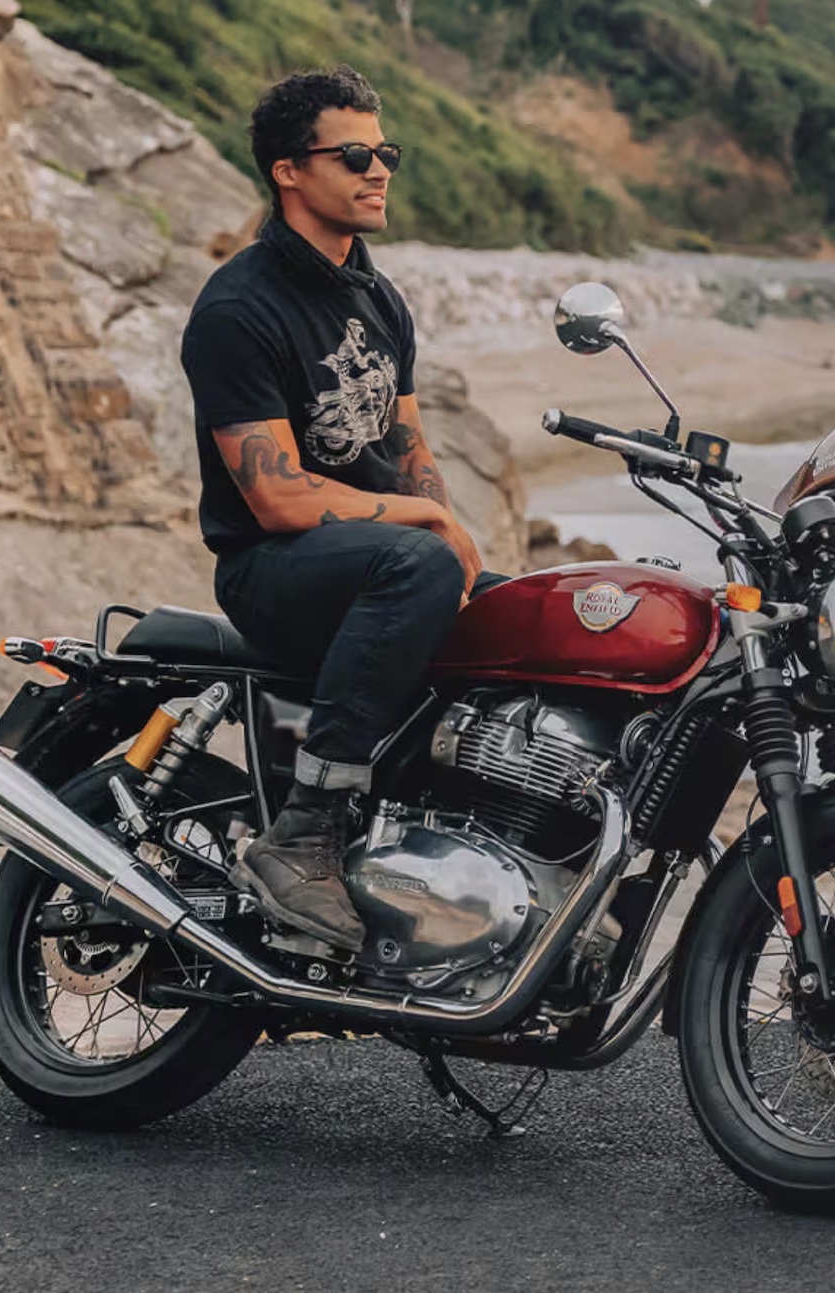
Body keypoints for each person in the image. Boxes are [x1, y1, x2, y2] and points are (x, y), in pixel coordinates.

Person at [180, 66, 501, 952]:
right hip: (272, 568)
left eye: (384, 152)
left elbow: (407, 450)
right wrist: (430, 529)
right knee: (420, 561)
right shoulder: (240, 307)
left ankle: (473, 857)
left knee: (526, 611)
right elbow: (278, 495)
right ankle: (305, 831)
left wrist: (449, 524)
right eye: (355, 153)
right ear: (289, 169)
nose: (379, 170)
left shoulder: (378, 296)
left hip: (374, 553)